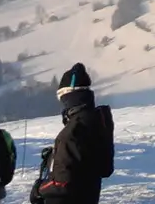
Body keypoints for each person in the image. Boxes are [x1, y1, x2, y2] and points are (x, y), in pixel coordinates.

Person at [36, 63, 112, 204]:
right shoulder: (98, 123)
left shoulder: (71, 133)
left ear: (68, 96)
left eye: (61, 97)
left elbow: (62, 184)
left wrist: (39, 189)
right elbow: (105, 169)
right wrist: (55, 157)